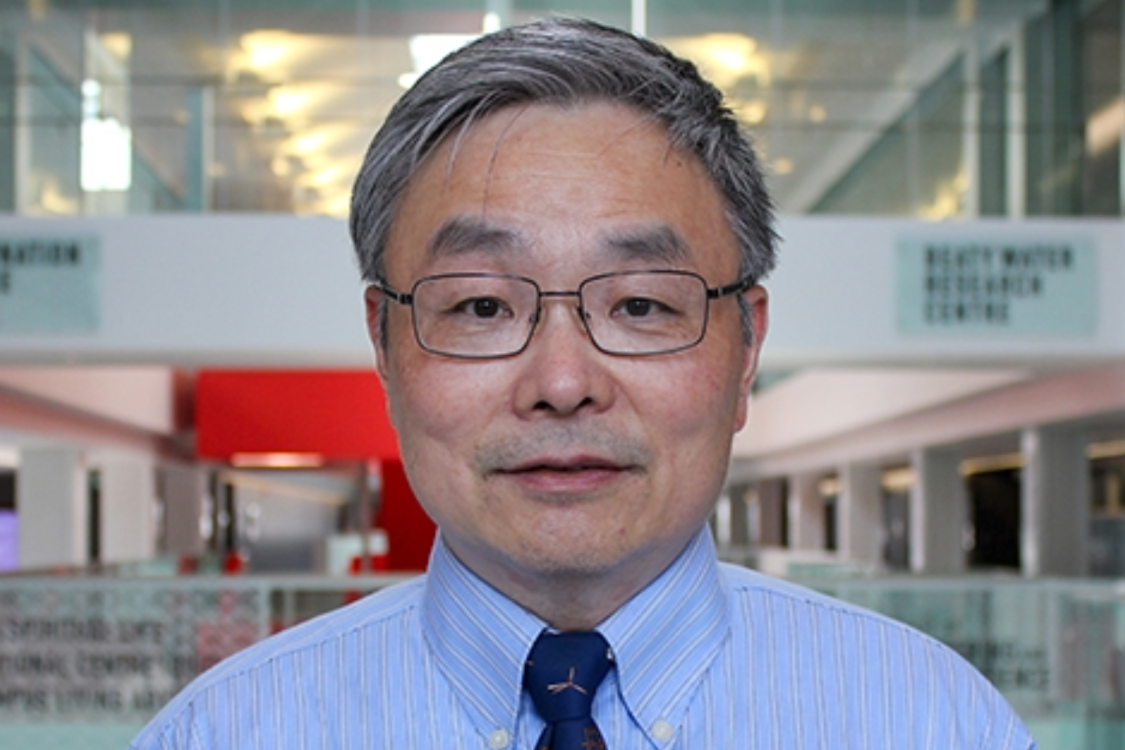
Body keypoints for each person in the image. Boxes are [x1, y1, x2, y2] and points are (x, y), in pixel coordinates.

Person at [132, 17, 1036, 750]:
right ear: (384, 342)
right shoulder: (223, 732)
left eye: (641, 303)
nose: (562, 381)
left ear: (746, 344)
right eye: (481, 306)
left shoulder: (935, 722)